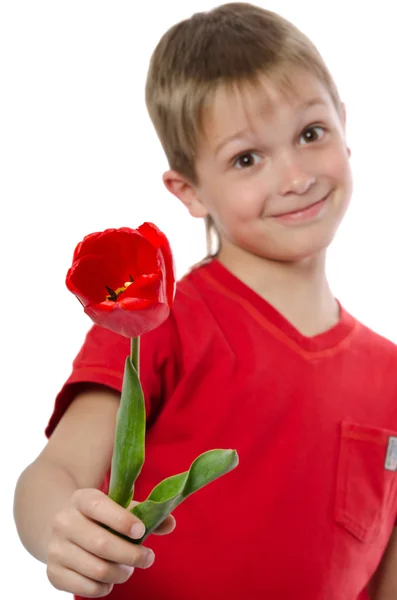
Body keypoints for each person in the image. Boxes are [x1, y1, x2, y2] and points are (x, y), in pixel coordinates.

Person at [13, 2, 397, 599]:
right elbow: (53, 475)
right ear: (188, 191)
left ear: (346, 128)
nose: (294, 176)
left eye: (310, 133)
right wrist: (63, 531)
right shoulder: (158, 318)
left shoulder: (391, 373)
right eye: (247, 158)